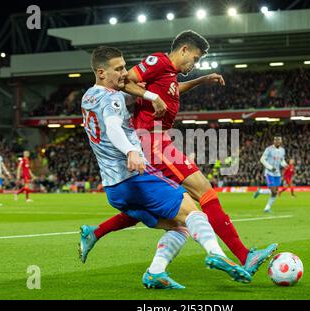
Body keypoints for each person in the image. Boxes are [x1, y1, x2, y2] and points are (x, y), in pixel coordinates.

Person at [80, 30, 278, 276]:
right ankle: (243, 255)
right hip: (152, 140)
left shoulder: (169, 73)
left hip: (156, 140)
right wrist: (152, 97)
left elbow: (170, 90)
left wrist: (199, 81)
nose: (194, 64)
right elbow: (126, 81)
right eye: (194, 59)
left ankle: (97, 233)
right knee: (204, 193)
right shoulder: (159, 61)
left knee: (156, 210)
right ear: (183, 49)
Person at [253, 135, 287, 213]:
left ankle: (266, 207)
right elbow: (262, 159)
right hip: (269, 173)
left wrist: (285, 165)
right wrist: (270, 167)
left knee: (275, 192)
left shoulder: (282, 150)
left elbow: (282, 160)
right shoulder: (269, 149)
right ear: (274, 141)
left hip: (277, 174)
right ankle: (266, 206)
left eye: (279, 140)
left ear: (281, 141)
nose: (277, 141)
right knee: (273, 191)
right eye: (276, 140)